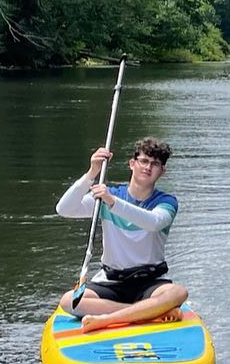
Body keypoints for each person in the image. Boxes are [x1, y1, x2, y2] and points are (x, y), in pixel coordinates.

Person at [56, 136, 189, 331]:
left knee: (178, 292)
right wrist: (92, 173)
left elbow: (153, 223)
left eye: (155, 164)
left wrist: (113, 203)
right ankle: (148, 313)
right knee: (69, 301)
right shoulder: (108, 196)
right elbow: (64, 209)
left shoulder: (166, 202)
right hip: (112, 281)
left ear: (162, 171)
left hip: (150, 283)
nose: (148, 167)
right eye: (144, 161)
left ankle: (106, 319)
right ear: (132, 164)